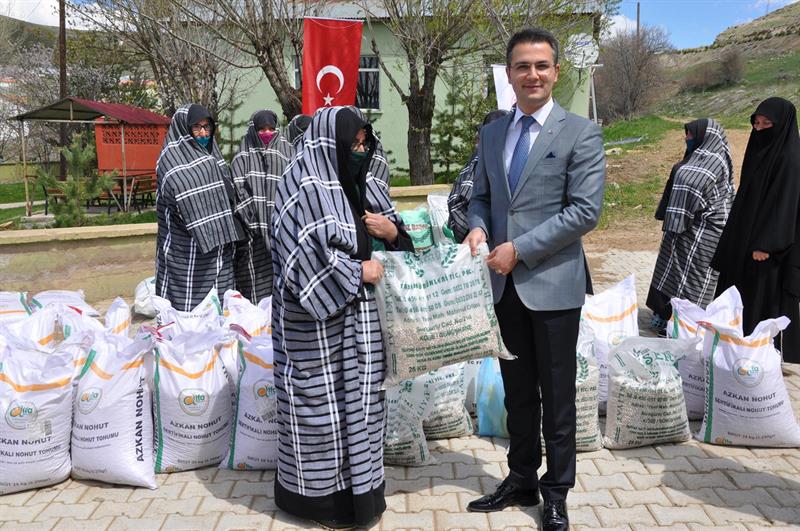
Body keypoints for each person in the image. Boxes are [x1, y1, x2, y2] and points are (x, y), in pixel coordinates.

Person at [464, 28, 605, 531]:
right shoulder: (493, 133)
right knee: (517, 392)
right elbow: (481, 197)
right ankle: (521, 477)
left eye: (541, 65)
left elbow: (584, 211)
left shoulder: (580, 132)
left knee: (558, 396)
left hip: (553, 285)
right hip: (504, 288)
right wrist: (478, 226)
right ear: (509, 74)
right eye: (522, 66)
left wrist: (519, 249)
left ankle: (557, 492)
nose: (532, 75)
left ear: (556, 72)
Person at [270, 106, 413, 529]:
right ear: (329, 144)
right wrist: (357, 272)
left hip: (363, 328)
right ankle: (318, 504)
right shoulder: (301, 187)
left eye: (364, 143)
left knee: (365, 411)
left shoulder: (366, 184)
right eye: (353, 143)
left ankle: (363, 497)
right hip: (313, 331)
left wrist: (391, 233)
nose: (360, 150)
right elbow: (300, 259)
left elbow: (401, 238)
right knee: (320, 415)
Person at [712, 97, 800, 363]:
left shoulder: (789, 159)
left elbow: (784, 206)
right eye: (756, 123)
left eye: (766, 124)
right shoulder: (761, 151)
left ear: (781, 125)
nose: (759, 129)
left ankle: (756, 357)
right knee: (739, 297)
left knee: (759, 302)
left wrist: (766, 244)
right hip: (745, 240)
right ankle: (734, 351)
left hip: (766, 251)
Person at [647, 119, 734, 334]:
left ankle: (688, 325)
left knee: (692, 280)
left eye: (691, 135)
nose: (687, 138)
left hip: (704, 233)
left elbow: (693, 184)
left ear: (706, 137)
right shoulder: (698, 157)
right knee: (670, 273)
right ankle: (666, 317)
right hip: (682, 230)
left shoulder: (713, 161)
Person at [155, 104, 245, 311]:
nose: (203, 133)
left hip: (219, 252)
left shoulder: (214, 156)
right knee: (188, 313)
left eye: (207, 127)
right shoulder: (171, 162)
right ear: (183, 128)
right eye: (196, 127)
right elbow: (181, 193)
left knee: (219, 311)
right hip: (185, 251)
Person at [230, 109, 294, 303]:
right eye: (262, 129)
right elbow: (238, 190)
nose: (267, 133)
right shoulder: (242, 156)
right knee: (256, 286)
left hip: (282, 233)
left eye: (271, 129)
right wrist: (253, 219)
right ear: (253, 130)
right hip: (252, 236)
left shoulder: (287, 152)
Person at [447, 109, 510, 242]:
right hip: (479, 234)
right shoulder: (482, 158)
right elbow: (463, 200)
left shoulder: (488, 156)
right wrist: (477, 228)